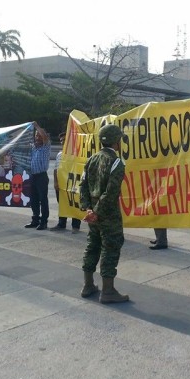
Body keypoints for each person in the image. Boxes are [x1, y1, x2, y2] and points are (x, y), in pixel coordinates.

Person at [79, 124, 129, 304]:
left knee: (93, 244)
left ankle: (88, 285)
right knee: (110, 247)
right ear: (116, 141)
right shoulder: (116, 162)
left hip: (93, 213)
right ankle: (108, 291)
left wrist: (89, 210)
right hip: (108, 214)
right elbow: (111, 191)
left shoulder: (91, 159)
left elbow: (82, 185)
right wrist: (98, 212)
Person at [50, 132, 81, 233]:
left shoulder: (76, 153)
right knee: (62, 204)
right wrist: (55, 182)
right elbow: (56, 169)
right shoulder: (59, 154)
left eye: (64, 139)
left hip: (73, 184)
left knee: (75, 203)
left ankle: (75, 226)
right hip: (61, 184)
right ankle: (61, 224)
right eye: (61, 140)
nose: (63, 142)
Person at [24, 122, 51, 230]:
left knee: (42, 199)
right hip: (32, 176)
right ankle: (35, 219)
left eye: (39, 135)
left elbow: (44, 136)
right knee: (33, 199)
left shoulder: (45, 146)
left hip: (41, 176)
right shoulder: (33, 148)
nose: (38, 137)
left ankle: (44, 221)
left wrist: (37, 127)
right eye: (36, 135)